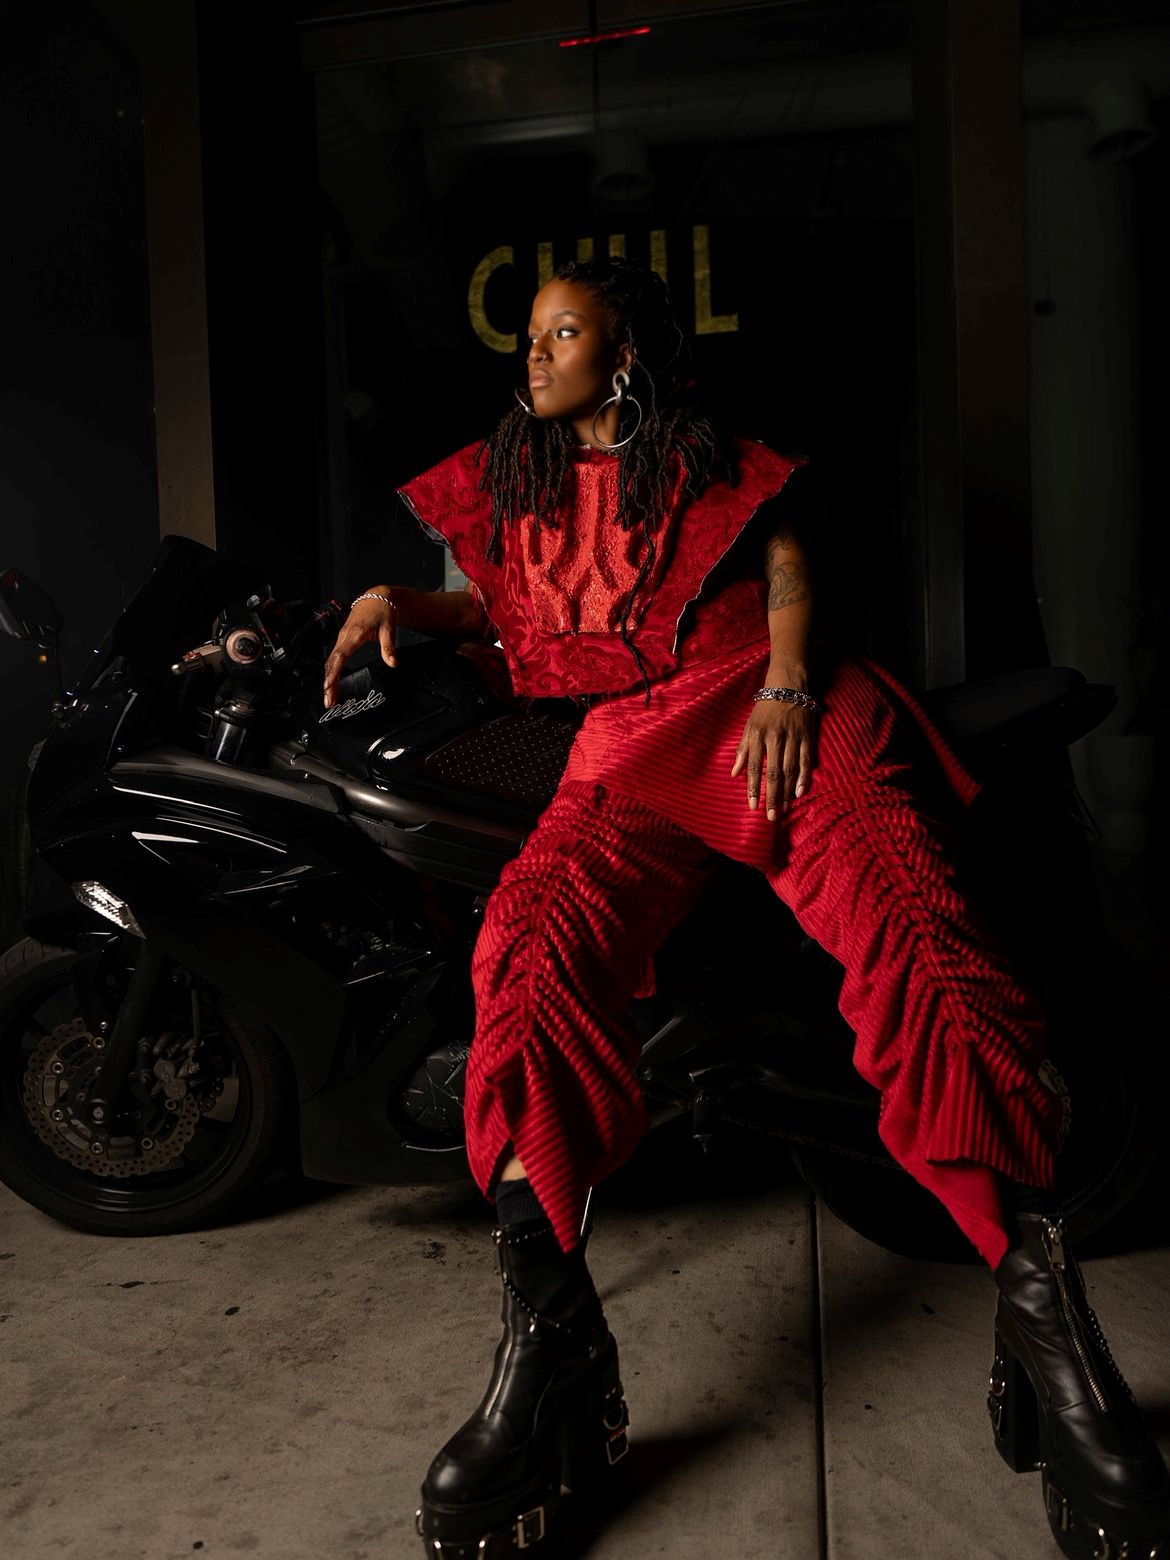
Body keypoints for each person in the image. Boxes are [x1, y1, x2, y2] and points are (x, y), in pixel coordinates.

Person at [323, 257, 1170, 1560]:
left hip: (788, 716)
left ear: (623, 354)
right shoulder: (522, 478)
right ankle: (552, 1340)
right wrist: (401, 603)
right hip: (632, 742)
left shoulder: (702, 456)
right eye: (531, 332)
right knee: (527, 953)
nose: (534, 353)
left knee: (922, 944)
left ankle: (1042, 1313)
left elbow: (784, 563)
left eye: (563, 331)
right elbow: (507, 607)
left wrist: (784, 686)